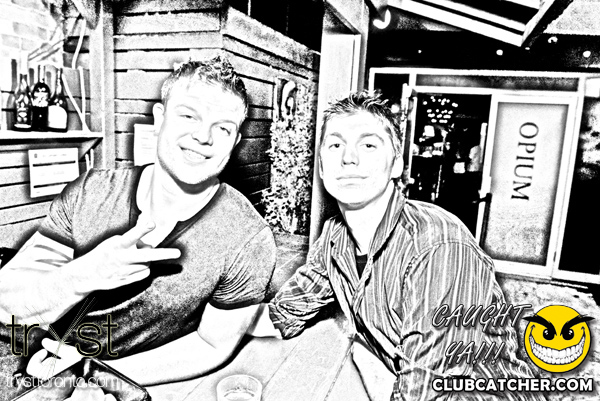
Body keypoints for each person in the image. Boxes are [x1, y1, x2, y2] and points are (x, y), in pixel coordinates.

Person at [0, 56, 277, 398]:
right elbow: (7, 302)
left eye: (222, 128)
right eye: (188, 115)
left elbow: (212, 344)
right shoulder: (91, 191)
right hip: (26, 355)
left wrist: (93, 372)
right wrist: (83, 275)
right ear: (159, 119)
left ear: (235, 142)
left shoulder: (249, 237)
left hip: (120, 382)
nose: (203, 136)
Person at [267, 92, 546, 400]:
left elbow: (423, 392)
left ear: (396, 164)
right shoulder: (335, 237)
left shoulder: (439, 246)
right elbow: (284, 313)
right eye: (335, 145)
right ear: (321, 167)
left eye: (368, 145)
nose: (349, 158)